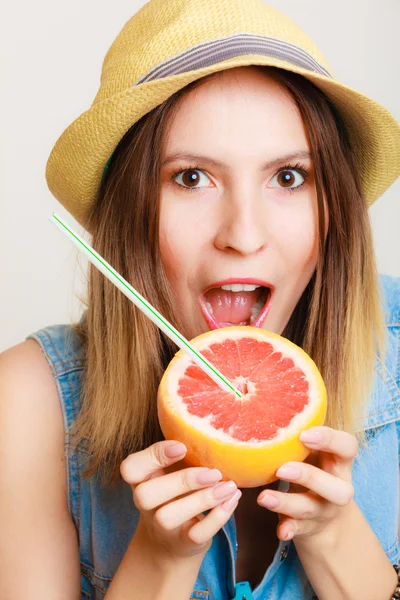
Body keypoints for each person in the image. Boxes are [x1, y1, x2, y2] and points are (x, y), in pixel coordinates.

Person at [1, 0, 399, 598]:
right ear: (128, 213)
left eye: (288, 176)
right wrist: (159, 563)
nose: (242, 235)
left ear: (331, 209)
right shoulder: (28, 402)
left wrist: (337, 537)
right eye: (191, 177)